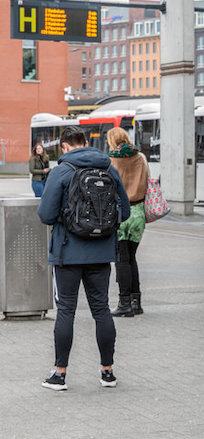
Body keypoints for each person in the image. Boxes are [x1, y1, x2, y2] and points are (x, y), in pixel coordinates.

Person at [37, 126, 130, 391]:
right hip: (101, 252)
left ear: (64, 146)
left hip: (67, 252)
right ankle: (107, 372)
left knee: (66, 310)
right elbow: (123, 211)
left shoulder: (62, 171)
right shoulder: (108, 168)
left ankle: (60, 374)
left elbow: (45, 214)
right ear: (86, 142)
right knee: (101, 310)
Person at [107, 127, 149, 317]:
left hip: (121, 212)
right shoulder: (140, 157)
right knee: (132, 258)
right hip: (139, 212)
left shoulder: (111, 160)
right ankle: (136, 302)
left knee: (121, 259)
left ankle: (124, 303)